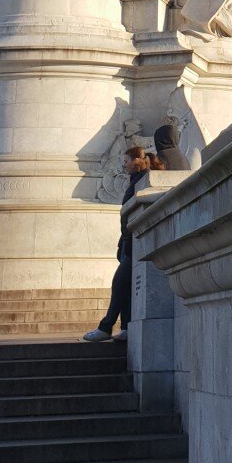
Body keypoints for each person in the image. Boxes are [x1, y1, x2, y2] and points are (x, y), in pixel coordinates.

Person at [82, 145, 150, 343]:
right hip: (128, 243)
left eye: (127, 160)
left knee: (119, 283)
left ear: (137, 160)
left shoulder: (142, 180)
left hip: (135, 243)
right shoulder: (136, 180)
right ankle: (127, 327)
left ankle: (106, 327)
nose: (124, 165)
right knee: (125, 286)